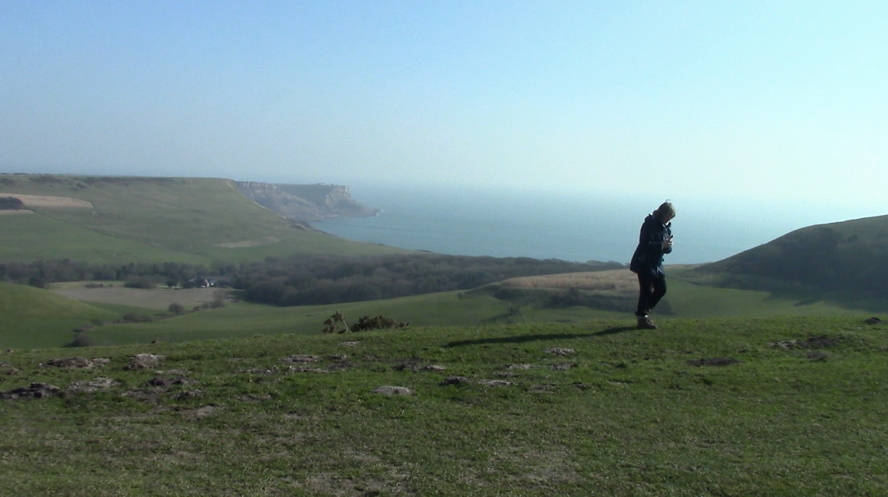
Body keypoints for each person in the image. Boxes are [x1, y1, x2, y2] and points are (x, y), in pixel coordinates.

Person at [629, 201, 675, 329]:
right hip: (644, 262)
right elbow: (644, 244)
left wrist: (668, 247)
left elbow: (666, 249)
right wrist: (661, 246)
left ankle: (642, 312)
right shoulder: (649, 224)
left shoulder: (666, 227)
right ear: (664, 214)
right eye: (669, 216)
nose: (669, 220)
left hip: (657, 263)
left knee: (661, 289)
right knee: (646, 291)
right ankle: (642, 318)